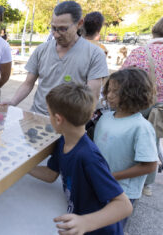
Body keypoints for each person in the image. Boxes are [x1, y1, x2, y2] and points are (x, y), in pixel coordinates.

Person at [29, 82, 132, 234]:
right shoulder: (63, 140)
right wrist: (23, 168)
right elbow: (51, 174)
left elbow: (124, 205)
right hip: (77, 223)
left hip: (98, 230)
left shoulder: (89, 157)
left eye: (49, 113)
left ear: (58, 119)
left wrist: (86, 222)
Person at [5, 1, 108, 116]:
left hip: (70, 123)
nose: (56, 34)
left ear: (79, 23)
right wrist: (12, 102)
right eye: (53, 28)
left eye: (63, 29)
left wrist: (73, 124)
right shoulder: (41, 50)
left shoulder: (95, 54)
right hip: (38, 116)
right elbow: (28, 83)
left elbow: (92, 96)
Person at [94, 68, 158, 229]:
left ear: (133, 94)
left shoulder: (141, 127)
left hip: (122, 192)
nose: (109, 95)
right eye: (109, 89)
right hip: (99, 183)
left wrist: (112, 176)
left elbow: (150, 165)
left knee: (111, 228)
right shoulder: (106, 117)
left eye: (116, 92)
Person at [121, 17, 163, 197]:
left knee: (130, 138)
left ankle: (125, 174)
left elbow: (123, 75)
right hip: (160, 107)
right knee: (152, 142)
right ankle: (146, 183)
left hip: (136, 102)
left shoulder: (139, 52)